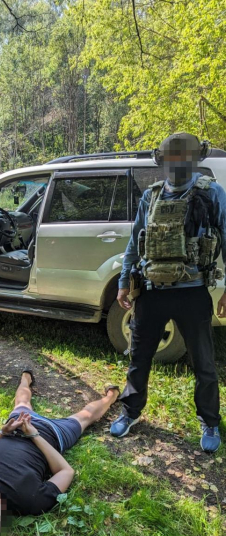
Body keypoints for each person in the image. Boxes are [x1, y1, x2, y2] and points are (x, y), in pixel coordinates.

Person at [112, 132, 226, 452]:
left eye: (183, 159)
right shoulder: (151, 196)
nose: (177, 166)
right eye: (171, 159)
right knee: (139, 356)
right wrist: (124, 281)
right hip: (151, 291)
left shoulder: (212, 194)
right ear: (162, 161)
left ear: (194, 160)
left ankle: (209, 421)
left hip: (192, 292)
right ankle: (130, 411)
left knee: (203, 361)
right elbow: (136, 241)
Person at [0, 368, 120, 536]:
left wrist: (6, 432)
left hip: (35, 432)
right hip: (33, 430)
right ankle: (26, 378)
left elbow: (66, 471)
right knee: (24, 403)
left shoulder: (30, 503)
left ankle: (111, 395)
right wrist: (23, 434)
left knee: (85, 417)